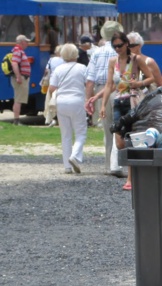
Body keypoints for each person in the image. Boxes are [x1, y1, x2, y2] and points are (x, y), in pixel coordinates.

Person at [100, 30, 155, 191]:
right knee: (119, 142)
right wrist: (103, 104)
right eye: (115, 46)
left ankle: (131, 178)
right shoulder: (113, 61)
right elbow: (109, 85)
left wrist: (139, 83)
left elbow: (151, 77)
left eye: (120, 46)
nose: (117, 49)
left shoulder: (136, 59)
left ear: (126, 44)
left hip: (133, 101)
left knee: (131, 139)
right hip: (118, 101)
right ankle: (135, 167)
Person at [85, 20, 124, 177]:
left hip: (101, 90)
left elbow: (89, 80)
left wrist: (89, 100)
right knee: (120, 128)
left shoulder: (96, 52)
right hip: (118, 89)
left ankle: (108, 165)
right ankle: (119, 164)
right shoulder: (120, 51)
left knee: (107, 129)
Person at [49, 43, 88, 175]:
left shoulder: (58, 69)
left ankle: (67, 166)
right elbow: (88, 84)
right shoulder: (82, 68)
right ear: (76, 54)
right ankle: (75, 156)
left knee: (65, 134)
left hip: (61, 102)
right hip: (77, 101)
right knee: (80, 132)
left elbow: (52, 88)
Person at [10, 35, 31, 126]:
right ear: (22, 42)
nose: (27, 44)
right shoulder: (18, 51)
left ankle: (16, 120)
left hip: (22, 77)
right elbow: (14, 63)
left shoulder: (19, 51)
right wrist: (18, 77)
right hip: (21, 78)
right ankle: (16, 121)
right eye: (26, 42)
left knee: (18, 99)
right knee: (18, 99)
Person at [44, 45, 64, 126]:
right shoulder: (65, 61)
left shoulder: (51, 60)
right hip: (63, 83)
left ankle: (50, 119)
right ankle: (60, 119)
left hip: (52, 83)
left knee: (51, 101)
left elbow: (47, 71)